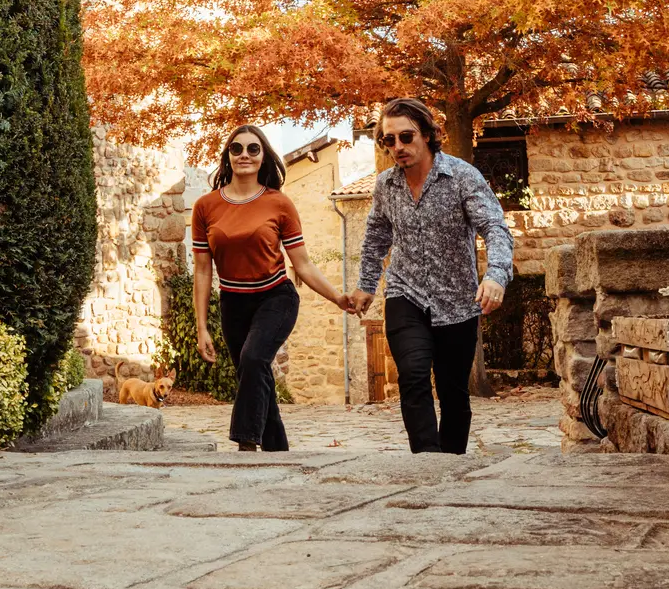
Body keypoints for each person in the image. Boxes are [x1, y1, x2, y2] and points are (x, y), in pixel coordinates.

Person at [348, 97, 513, 454]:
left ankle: (450, 466)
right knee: (413, 375)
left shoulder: (462, 177)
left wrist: (496, 275)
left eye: (405, 137)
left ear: (427, 134)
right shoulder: (386, 186)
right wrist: (365, 286)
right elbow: (376, 237)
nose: (398, 147)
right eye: (388, 140)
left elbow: (495, 228)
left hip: (457, 301)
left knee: (454, 392)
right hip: (404, 294)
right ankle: (426, 461)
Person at [192, 124, 354, 451]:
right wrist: (201, 327)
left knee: (253, 360)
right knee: (256, 375)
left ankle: (246, 444)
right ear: (227, 157)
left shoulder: (278, 204)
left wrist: (337, 297)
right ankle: (278, 452)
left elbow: (303, 264)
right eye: (236, 149)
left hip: (275, 297)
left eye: (253, 149)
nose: (244, 155)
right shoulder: (206, 206)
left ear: (263, 156)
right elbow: (202, 269)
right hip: (233, 303)